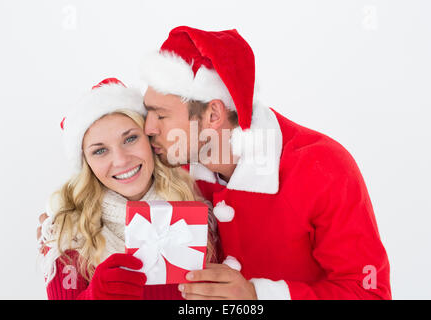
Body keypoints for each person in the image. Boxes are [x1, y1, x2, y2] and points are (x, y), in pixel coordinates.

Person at [138, 26, 392, 300]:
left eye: (161, 116)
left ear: (213, 114)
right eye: (146, 112)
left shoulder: (324, 168)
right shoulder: (173, 164)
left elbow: (369, 293)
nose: (148, 127)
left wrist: (257, 296)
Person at [40, 77, 219, 300]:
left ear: (150, 140)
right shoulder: (68, 231)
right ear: (87, 164)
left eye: (130, 139)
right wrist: (95, 296)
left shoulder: (197, 208)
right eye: (99, 151)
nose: (121, 160)